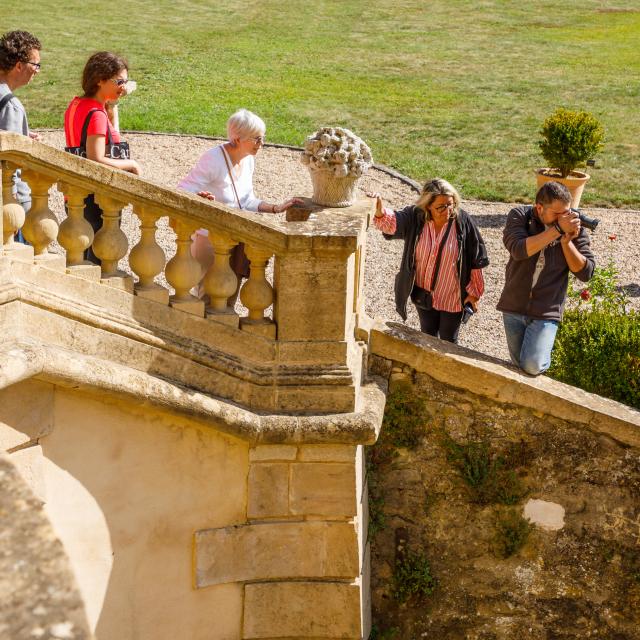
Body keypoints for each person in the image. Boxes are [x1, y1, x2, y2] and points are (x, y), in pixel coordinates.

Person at [178, 108, 302, 296]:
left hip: (235, 235)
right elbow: (183, 189)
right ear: (237, 139)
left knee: (229, 291)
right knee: (206, 294)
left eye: (262, 137)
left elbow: (246, 200)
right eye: (256, 138)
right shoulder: (213, 159)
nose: (261, 143)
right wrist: (199, 197)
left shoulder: (248, 160)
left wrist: (276, 208)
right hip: (209, 238)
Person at [372, 178, 489, 343]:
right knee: (427, 336)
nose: (448, 210)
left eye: (451, 204)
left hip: (452, 296)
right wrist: (379, 210)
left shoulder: (463, 221)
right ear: (427, 206)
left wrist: (474, 292)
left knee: (449, 342)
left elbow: (477, 258)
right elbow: (392, 223)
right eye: (441, 207)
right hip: (424, 294)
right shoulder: (416, 217)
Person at [497, 181, 595, 376]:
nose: (565, 218)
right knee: (519, 369)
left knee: (533, 365)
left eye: (567, 212)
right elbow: (518, 250)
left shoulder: (574, 226)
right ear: (539, 207)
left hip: (547, 309)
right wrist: (557, 230)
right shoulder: (520, 216)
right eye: (557, 214)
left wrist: (567, 243)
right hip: (514, 304)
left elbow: (586, 273)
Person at [63, 51, 140, 263]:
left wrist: (111, 108)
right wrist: (130, 164)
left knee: (78, 258)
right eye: (119, 81)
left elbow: (101, 140)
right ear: (100, 80)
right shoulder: (96, 114)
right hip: (94, 196)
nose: (123, 87)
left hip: (75, 193)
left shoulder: (77, 104)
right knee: (97, 261)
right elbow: (96, 158)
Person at [0, 30, 42, 243]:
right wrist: (14, 200)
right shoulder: (11, 106)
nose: (37, 71)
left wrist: (22, 135)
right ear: (18, 65)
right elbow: (11, 163)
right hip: (11, 205)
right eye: (35, 65)